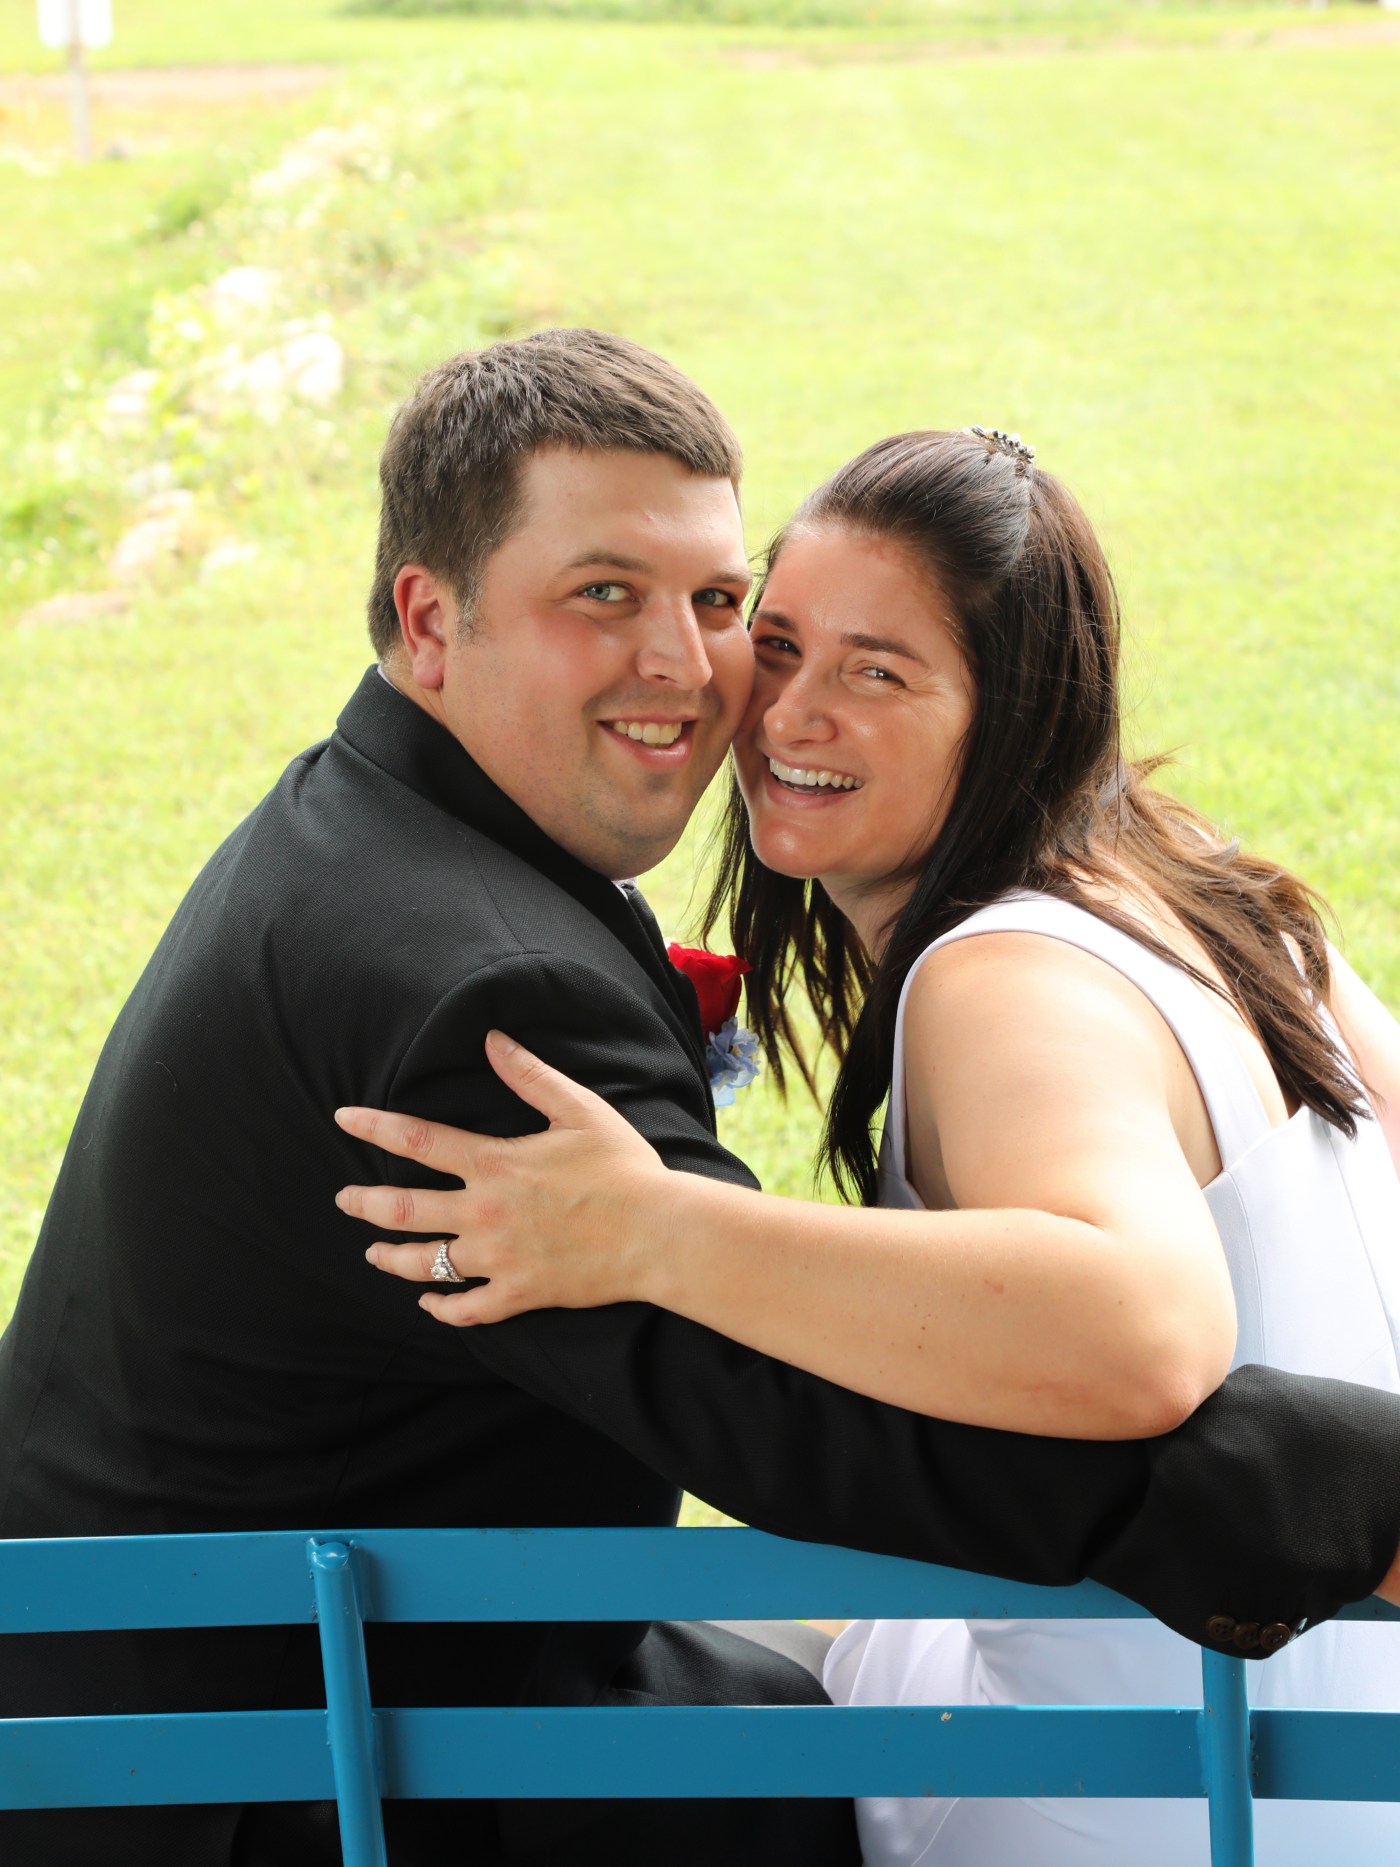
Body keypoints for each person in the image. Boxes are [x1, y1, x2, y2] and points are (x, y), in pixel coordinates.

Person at [1, 336, 1397, 1866]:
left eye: (718, 602)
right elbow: (803, 1410)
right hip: (260, 1752)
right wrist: (1346, 1502)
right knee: (800, 1779)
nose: (700, 671)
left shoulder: (381, 827)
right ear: (430, 619)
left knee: (818, 1712)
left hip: (288, 1651)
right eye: (606, 594)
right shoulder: (474, 986)